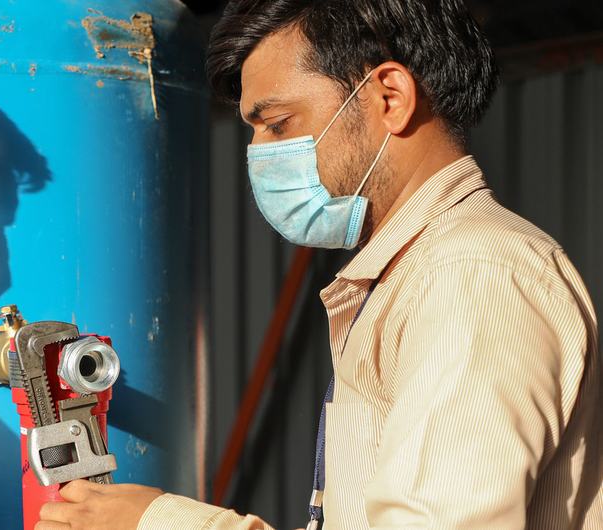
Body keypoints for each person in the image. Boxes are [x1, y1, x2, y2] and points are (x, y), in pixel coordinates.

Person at [38, 0, 602, 528]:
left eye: (279, 124)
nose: (258, 156)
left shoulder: (472, 275)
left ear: (389, 97)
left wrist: (158, 521)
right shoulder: (411, 275)